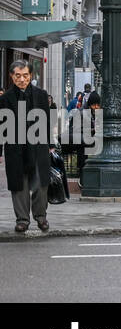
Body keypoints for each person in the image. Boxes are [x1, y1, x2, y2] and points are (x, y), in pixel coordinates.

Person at [1, 60, 55, 233]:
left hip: (38, 146)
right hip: (15, 148)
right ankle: (22, 220)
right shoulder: (5, 99)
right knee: (19, 185)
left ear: (30, 75)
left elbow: (47, 121)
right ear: (12, 77)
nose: (22, 79)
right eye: (18, 76)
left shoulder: (41, 95)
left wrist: (51, 144)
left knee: (40, 183)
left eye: (25, 75)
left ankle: (41, 217)